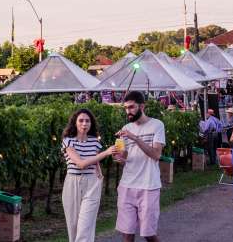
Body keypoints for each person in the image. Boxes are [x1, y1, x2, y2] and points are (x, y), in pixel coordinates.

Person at [112, 91, 166, 242]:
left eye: (131, 107)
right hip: (127, 185)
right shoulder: (126, 127)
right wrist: (118, 156)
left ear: (142, 106)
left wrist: (134, 137)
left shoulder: (157, 125)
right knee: (127, 233)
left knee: (148, 234)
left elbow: (156, 155)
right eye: (126, 108)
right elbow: (125, 157)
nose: (127, 111)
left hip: (148, 186)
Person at [61, 109, 117, 242]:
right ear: (75, 122)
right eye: (81, 120)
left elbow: (95, 161)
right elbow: (80, 164)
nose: (84, 123)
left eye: (87, 121)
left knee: (85, 227)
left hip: (92, 184)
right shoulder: (68, 141)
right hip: (72, 184)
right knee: (73, 228)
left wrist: (100, 173)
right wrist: (106, 153)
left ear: (91, 123)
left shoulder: (95, 142)